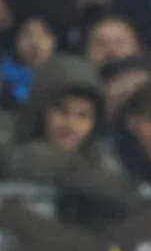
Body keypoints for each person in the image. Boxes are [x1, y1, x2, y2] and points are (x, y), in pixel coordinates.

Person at [3, 53, 137, 225]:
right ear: (40, 110)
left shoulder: (102, 158)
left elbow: (127, 197)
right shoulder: (8, 144)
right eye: (62, 111)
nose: (71, 126)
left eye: (83, 116)